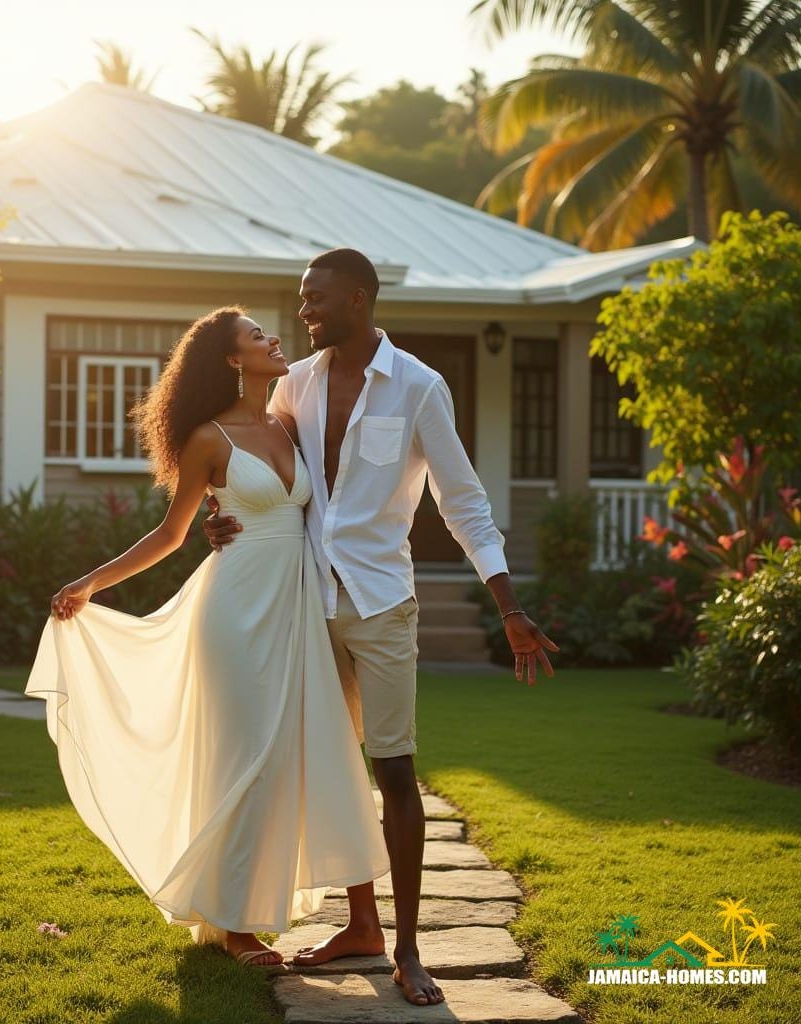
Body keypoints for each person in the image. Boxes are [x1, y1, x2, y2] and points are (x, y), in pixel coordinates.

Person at [204, 248, 560, 1006]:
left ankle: (408, 947)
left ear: (358, 300)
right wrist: (219, 514)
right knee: (335, 763)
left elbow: (462, 502)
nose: (304, 312)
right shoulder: (294, 385)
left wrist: (508, 606)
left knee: (394, 768)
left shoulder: (419, 388)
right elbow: (255, 464)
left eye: (317, 299)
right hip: (303, 598)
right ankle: (361, 924)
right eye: (304, 299)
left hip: (381, 602)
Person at [23, 305, 390, 971]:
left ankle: (360, 921)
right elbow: (169, 534)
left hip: (298, 609)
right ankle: (233, 924)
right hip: (234, 612)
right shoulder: (207, 439)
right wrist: (88, 584)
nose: (272, 338)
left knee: (316, 753)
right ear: (230, 360)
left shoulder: (288, 421)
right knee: (244, 758)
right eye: (256, 336)